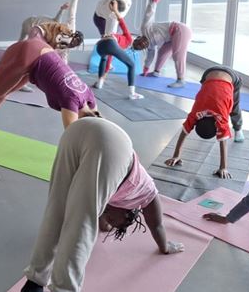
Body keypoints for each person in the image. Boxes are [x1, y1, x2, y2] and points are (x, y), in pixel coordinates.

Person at [21, 118, 185, 292]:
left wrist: (104, 222)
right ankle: (64, 288)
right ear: (128, 213)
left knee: (57, 209)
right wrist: (165, 246)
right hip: (112, 144)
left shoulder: (110, 196)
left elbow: (104, 223)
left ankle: (34, 282)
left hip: (77, 130)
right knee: (81, 223)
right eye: (119, 225)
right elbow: (157, 225)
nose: (109, 222)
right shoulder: (146, 194)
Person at [0, 22, 84, 144]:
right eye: (66, 43)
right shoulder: (46, 34)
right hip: (24, 56)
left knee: (5, 93)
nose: (64, 46)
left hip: (35, 64)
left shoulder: (53, 45)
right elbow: (36, 31)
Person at [164, 66, 246, 179]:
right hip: (208, 74)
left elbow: (223, 141)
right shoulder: (196, 113)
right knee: (209, 91)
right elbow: (184, 131)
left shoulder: (220, 117)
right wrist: (176, 156)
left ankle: (238, 128)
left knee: (234, 108)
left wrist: (223, 167)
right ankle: (238, 127)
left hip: (231, 78)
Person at [132, 0, 193, 88]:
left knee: (177, 55)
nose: (143, 44)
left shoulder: (145, 28)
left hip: (180, 30)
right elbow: (149, 57)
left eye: (140, 42)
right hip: (170, 37)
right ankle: (156, 72)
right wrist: (146, 69)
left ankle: (181, 80)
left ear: (139, 37)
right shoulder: (150, 46)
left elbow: (149, 14)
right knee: (162, 52)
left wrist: (154, 1)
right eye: (141, 46)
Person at [91, 1, 143, 100]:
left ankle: (99, 82)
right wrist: (115, 10)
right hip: (108, 43)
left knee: (104, 58)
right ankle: (132, 93)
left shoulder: (118, 45)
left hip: (100, 46)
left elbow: (110, 56)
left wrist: (105, 74)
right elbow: (123, 24)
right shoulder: (128, 39)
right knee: (131, 64)